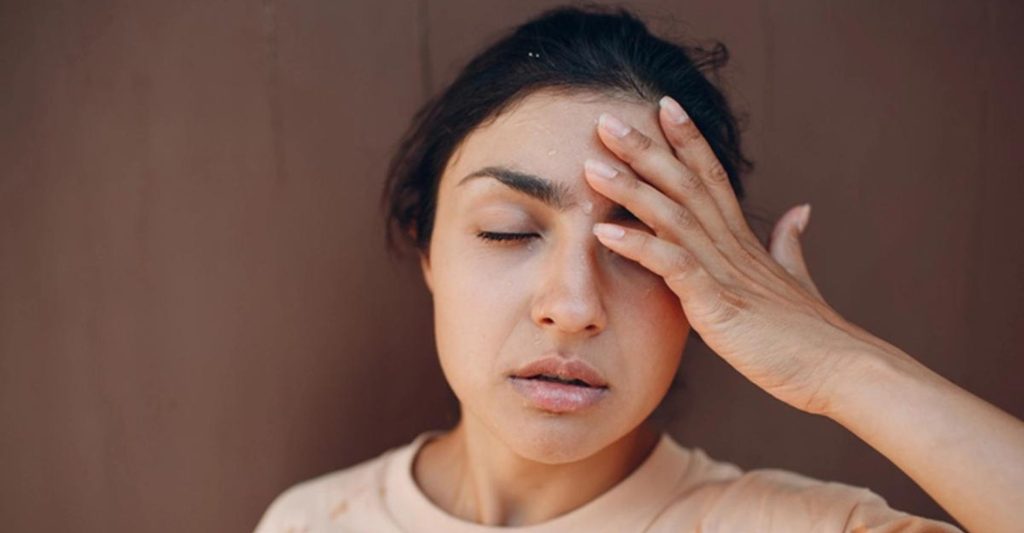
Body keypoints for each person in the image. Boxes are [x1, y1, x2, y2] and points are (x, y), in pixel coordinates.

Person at [254, 5, 1023, 532]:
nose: (572, 304)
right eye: (509, 230)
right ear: (428, 250)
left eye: (639, 242)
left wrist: (840, 365)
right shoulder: (313, 520)